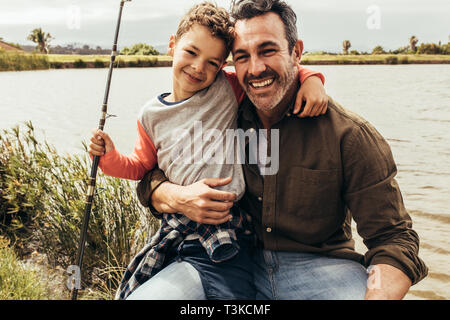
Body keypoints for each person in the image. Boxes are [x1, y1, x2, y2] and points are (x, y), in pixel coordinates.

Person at [139, 0, 428, 300]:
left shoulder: (350, 136)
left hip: (323, 271)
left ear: (296, 53)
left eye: (268, 50)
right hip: (230, 260)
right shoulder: (224, 116)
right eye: (242, 56)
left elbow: (395, 242)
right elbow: (150, 175)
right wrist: (176, 196)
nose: (256, 68)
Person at [88, 2, 327, 300]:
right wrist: (108, 158)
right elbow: (140, 166)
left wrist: (312, 79)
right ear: (172, 45)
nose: (199, 67)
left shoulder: (226, 88)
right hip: (177, 227)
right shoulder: (150, 115)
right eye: (191, 52)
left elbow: (274, 72)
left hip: (227, 228)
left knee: (234, 295)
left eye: (214, 62)